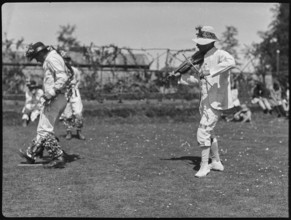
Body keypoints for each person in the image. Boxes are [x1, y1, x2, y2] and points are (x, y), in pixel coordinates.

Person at [176, 25, 236, 177]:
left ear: (209, 42)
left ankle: (204, 166)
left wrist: (211, 71)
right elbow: (199, 80)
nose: (197, 45)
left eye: (200, 42)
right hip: (204, 102)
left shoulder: (220, 54)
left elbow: (231, 62)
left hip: (215, 102)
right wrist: (180, 77)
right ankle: (216, 162)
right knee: (209, 133)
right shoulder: (202, 59)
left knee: (203, 132)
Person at [18, 42, 73, 168]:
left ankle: (58, 158)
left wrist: (51, 93)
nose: (37, 60)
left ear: (41, 52)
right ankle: (31, 154)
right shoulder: (53, 57)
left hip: (55, 97)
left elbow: (63, 78)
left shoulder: (51, 58)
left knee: (45, 130)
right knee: (43, 127)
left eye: (36, 57)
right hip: (58, 97)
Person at [59, 56, 85, 140]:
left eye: (68, 61)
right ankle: (69, 132)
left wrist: (75, 88)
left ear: (70, 61)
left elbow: (79, 80)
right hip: (65, 92)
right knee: (67, 114)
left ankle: (79, 131)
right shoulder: (60, 72)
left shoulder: (75, 70)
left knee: (78, 113)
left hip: (74, 92)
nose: (66, 62)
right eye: (64, 61)